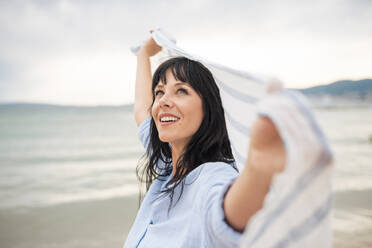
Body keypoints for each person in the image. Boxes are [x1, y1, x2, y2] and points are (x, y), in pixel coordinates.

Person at [123, 31, 286, 248]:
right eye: (160, 92)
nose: (163, 101)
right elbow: (141, 111)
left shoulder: (213, 175)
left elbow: (226, 212)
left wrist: (258, 171)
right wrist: (144, 54)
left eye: (181, 91)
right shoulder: (167, 164)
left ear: (208, 108)